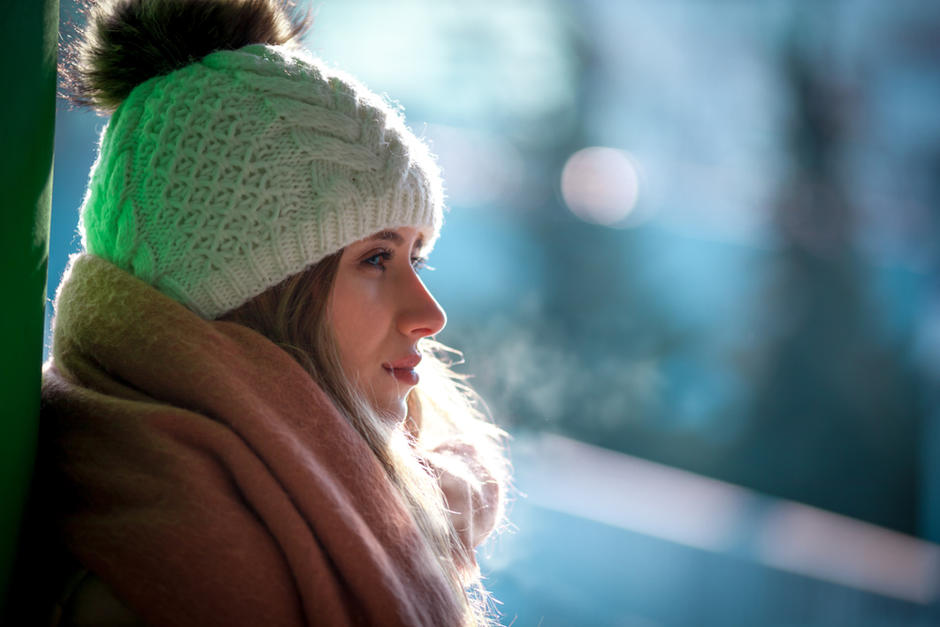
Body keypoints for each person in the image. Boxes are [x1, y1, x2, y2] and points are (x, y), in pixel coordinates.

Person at [30, 0, 509, 625]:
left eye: (417, 258)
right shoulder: (160, 584)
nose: (429, 314)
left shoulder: (400, 478)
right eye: (374, 259)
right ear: (256, 297)